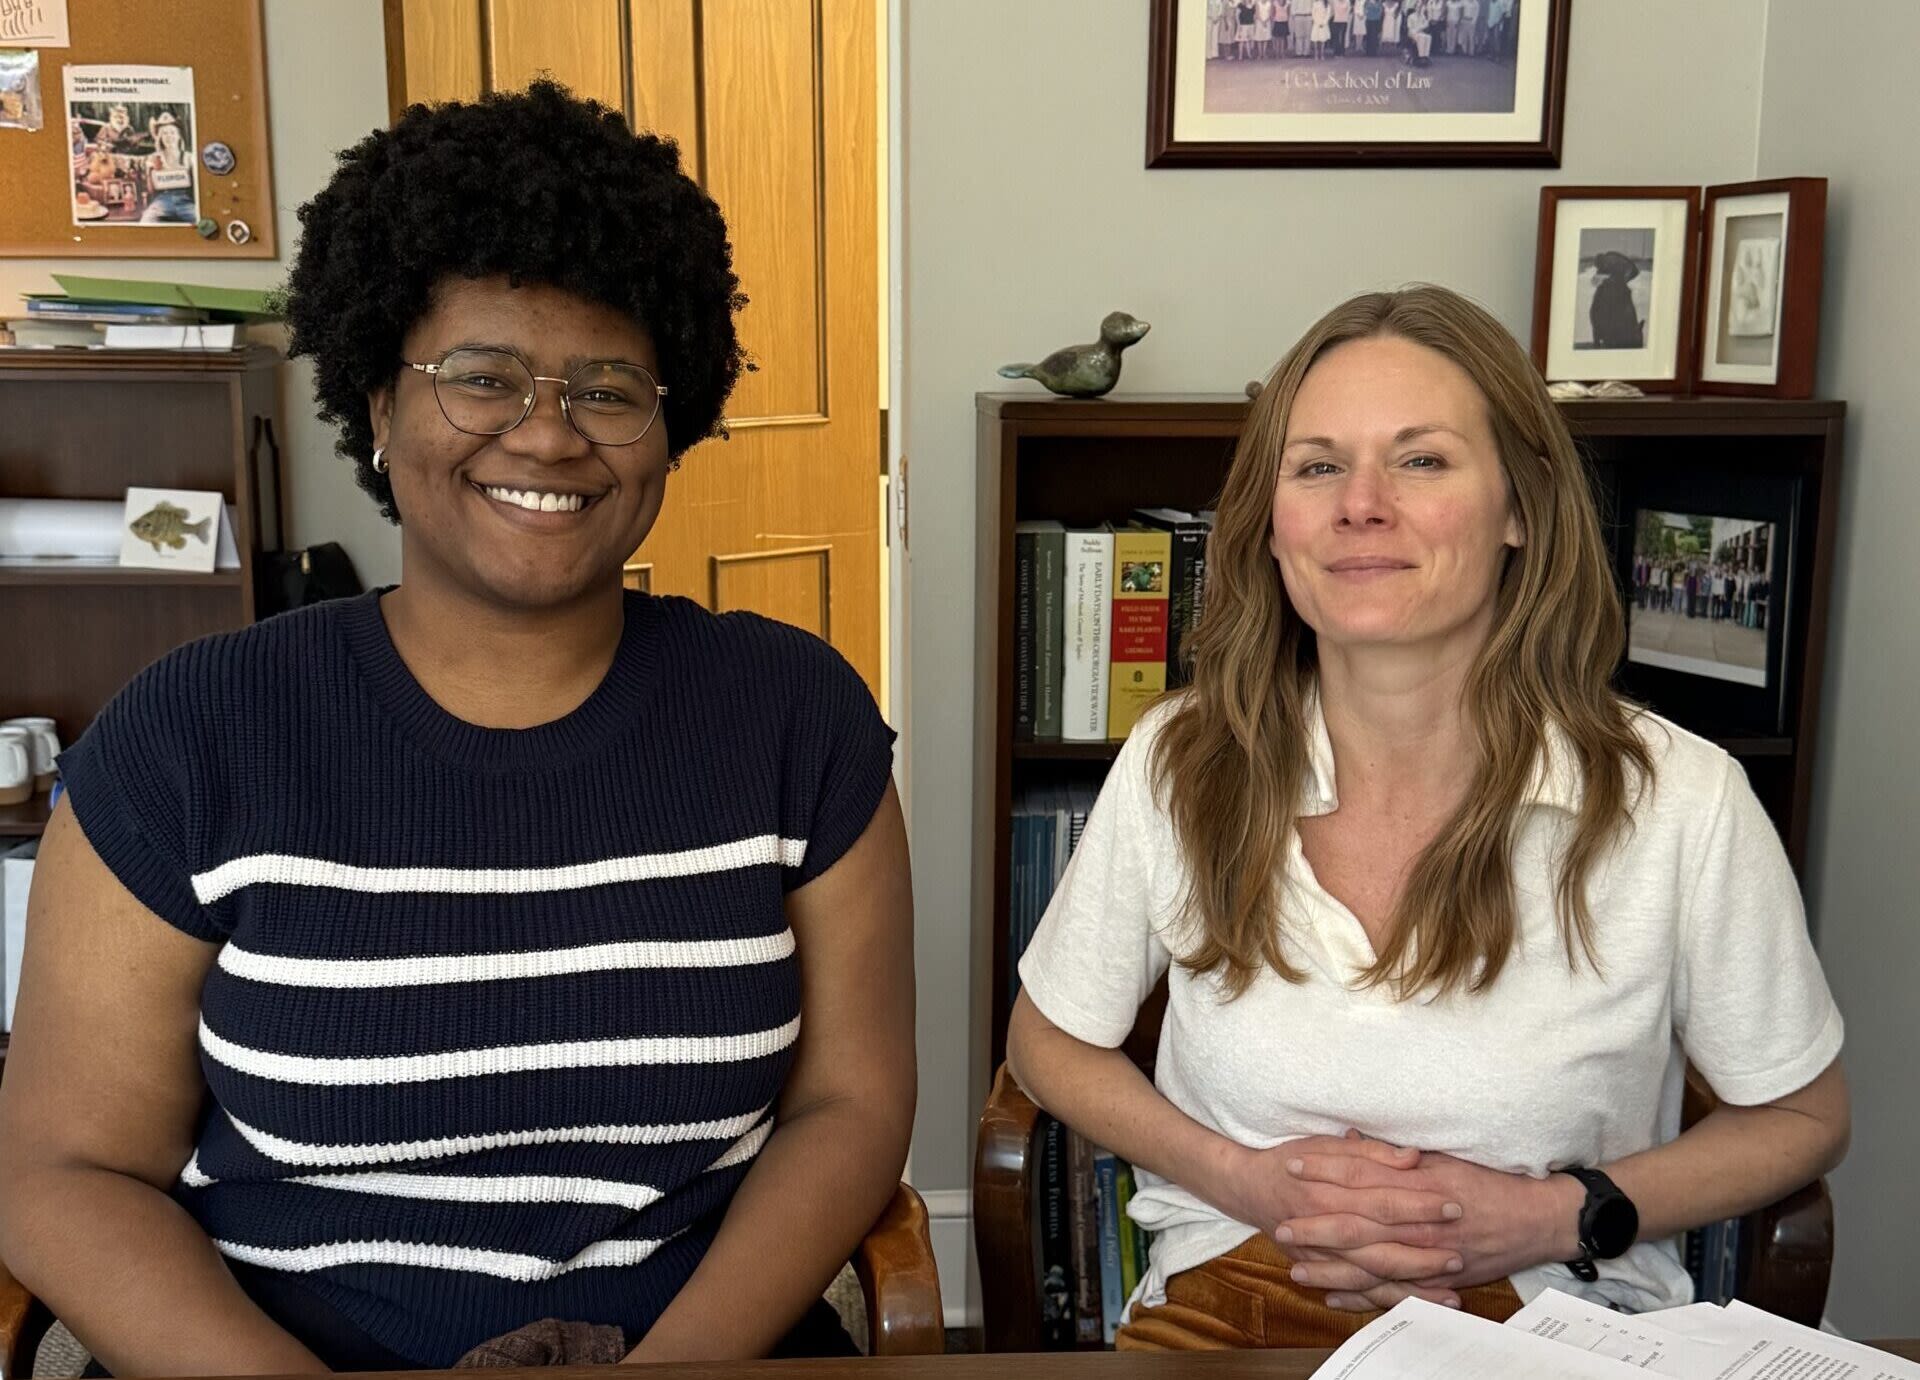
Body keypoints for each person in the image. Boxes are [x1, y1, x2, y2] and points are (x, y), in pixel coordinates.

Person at [0, 81, 914, 1374]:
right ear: (378, 405)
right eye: (480, 376)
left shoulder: (793, 717)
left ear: (673, 420)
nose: (546, 432)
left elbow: (851, 1101)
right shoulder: (192, 735)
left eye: (608, 387)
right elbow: (62, 1166)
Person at [1006, 285, 1848, 1351]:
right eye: (1318, 466)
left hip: (1556, 1323)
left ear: (1521, 509)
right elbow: (1046, 1040)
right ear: (1274, 525)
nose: (1361, 504)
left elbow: (1804, 1116)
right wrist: (1245, 1180)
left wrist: (1550, 1213)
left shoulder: (1680, 799)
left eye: (1421, 460)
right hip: (1231, 1314)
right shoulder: (1185, 760)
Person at [1588, 250, 1644, 350]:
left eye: (1600, 266)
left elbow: (1633, 271)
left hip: (1620, 292)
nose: (1599, 268)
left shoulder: (1612, 260)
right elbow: (1595, 281)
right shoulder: (1605, 266)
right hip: (1616, 291)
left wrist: (1620, 281)